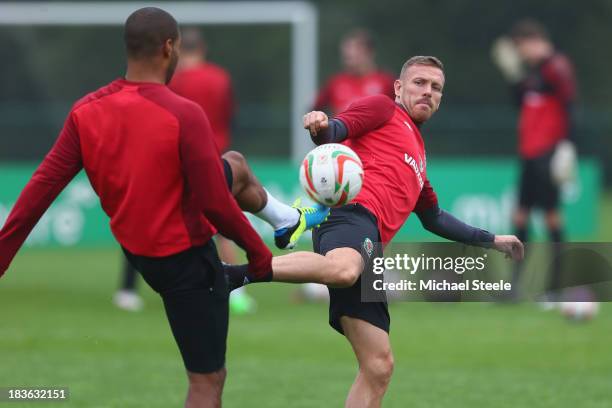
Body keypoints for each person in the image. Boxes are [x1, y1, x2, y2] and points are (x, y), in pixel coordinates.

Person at [0, 7, 327, 407]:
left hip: (142, 253)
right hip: (186, 259)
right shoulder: (183, 113)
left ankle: (287, 221)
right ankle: (277, 236)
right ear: (169, 47)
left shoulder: (86, 110)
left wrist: (2, 256)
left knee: (236, 165)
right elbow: (214, 204)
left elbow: (41, 188)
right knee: (207, 381)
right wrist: (257, 254)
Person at [227, 56, 524, 407]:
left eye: (436, 87)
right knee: (344, 269)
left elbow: (434, 218)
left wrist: (491, 239)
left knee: (379, 365)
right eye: (420, 83)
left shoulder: (419, 157)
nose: (428, 92)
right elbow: (336, 130)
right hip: (349, 216)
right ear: (399, 87)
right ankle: (233, 276)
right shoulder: (383, 109)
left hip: (371, 246)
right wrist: (320, 125)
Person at [491, 19, 577, 302]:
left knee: (551, 215)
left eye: (521, 48)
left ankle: (556, 287)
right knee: (521, 216)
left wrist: (567, 145)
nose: (521, 54)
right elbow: (521, 102)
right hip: (529, 154)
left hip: (548, 153)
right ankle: (514, 287)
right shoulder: (533, 73)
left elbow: (570, 105)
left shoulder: (556, 67)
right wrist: (513, 74)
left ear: (533, 41)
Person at [313, 29, 395, 114]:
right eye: (347, 51)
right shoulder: (335, 83)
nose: (350, 53)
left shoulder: (386, 81)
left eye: (357, 49)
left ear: (370, 52)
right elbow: (315, 109)